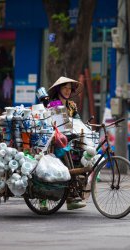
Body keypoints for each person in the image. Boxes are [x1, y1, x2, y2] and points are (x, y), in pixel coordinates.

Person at [46, 76, 86, 211]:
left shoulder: (72, 105)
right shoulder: (52, 105)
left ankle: (74, 192)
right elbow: (49, 123)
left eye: (70, 89)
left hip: (71, 138)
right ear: (59, 89)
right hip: (56, 140)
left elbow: (78, 121)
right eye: (65, 88)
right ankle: (68, 195)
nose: (68, 91)